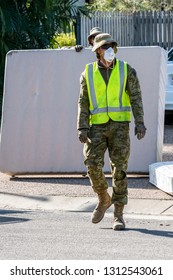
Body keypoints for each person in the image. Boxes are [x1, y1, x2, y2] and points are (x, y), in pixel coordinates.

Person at [77, 33, 146, 230]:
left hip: (120, 127)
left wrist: (140, 122)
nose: (108, 49)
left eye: (111, 45)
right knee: (92, 164)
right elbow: (83, 101)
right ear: (97, 50)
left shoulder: (126, 70)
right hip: (96, 127)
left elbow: (136, 97)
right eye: (104, 46)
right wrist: (81, 126)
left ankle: (118, 215)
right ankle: (103, 197)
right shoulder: (88, 72)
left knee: (120, 170)